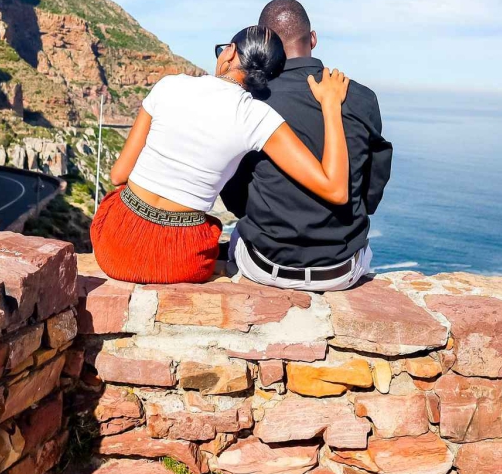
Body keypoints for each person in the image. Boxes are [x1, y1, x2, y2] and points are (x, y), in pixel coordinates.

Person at [90, 24, 352, 284]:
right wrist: (330, 105)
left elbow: (118, 175)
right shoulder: (255, 117)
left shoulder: (168, 86)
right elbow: (335, 190)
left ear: (229, 53)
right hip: (180, 259)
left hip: (114, 244)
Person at [222, 0, 392, 291]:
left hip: (263, 265)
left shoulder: (249, 100)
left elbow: (233, 189)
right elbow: (373, 184)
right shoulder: (362, 98)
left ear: (266, 43)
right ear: (312, 39)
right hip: (340, 269)